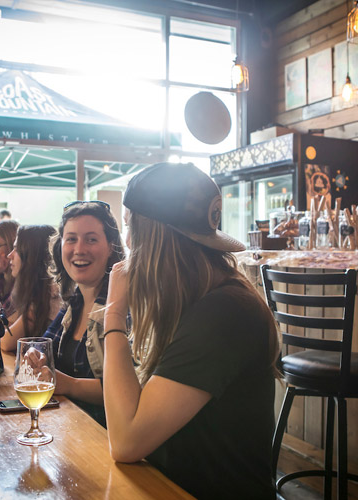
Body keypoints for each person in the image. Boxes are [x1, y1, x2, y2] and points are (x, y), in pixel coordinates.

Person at [101, 162, 279, 499]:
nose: (125, 241)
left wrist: (113, 316)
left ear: (152, 235)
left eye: (129, 226)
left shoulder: (224, 312)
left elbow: (126, 442)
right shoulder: (197, 298)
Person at [43, 201, 125, 425]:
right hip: (69, 432)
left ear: (111, 247)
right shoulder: (74, 301)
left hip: (107, 439)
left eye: (91, 239)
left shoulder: (123, 305)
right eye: (71, 239)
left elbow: (134, 387)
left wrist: (70, 384)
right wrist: (36, 357)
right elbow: (42, 348)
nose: (79, 249)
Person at [0, 224, 62, 352]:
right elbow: (9, 323)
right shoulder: (39, 291)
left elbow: (6, 342)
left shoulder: (49, 295)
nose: (9, 255)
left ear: (32, 256)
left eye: (16, 249)